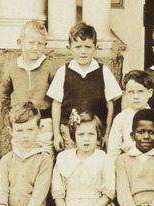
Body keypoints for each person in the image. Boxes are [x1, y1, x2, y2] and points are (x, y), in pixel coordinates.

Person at [47, 21, 123, 150]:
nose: (83, 51)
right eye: (78, 47)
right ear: (69, 48)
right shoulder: (63, 72)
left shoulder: (103, 71)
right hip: (68, 133)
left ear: (95, 47)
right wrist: (56, 134)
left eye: (87, 47)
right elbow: (56, 104)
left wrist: (107, 134)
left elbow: (110, 105)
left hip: (95, 132)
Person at [0, 19, 55, 151]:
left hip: (44, 122)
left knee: (44, 154)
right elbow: (3, 94)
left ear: (45, 45)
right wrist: (10, 116)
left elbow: (58, 97)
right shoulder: (12, 67)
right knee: (20, 155)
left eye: (40, 44)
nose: (35, 48)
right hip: (20, 120)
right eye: (31, 43)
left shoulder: (50, 67)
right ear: (20, 43)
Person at [107, 70, 154, 156]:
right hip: (127, 163)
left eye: (140, 91)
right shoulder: (120, 118)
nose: (136, 96)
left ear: (150, 93)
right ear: (125, 94)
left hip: (152, 163)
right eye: (131, 92)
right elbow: (113, 152)